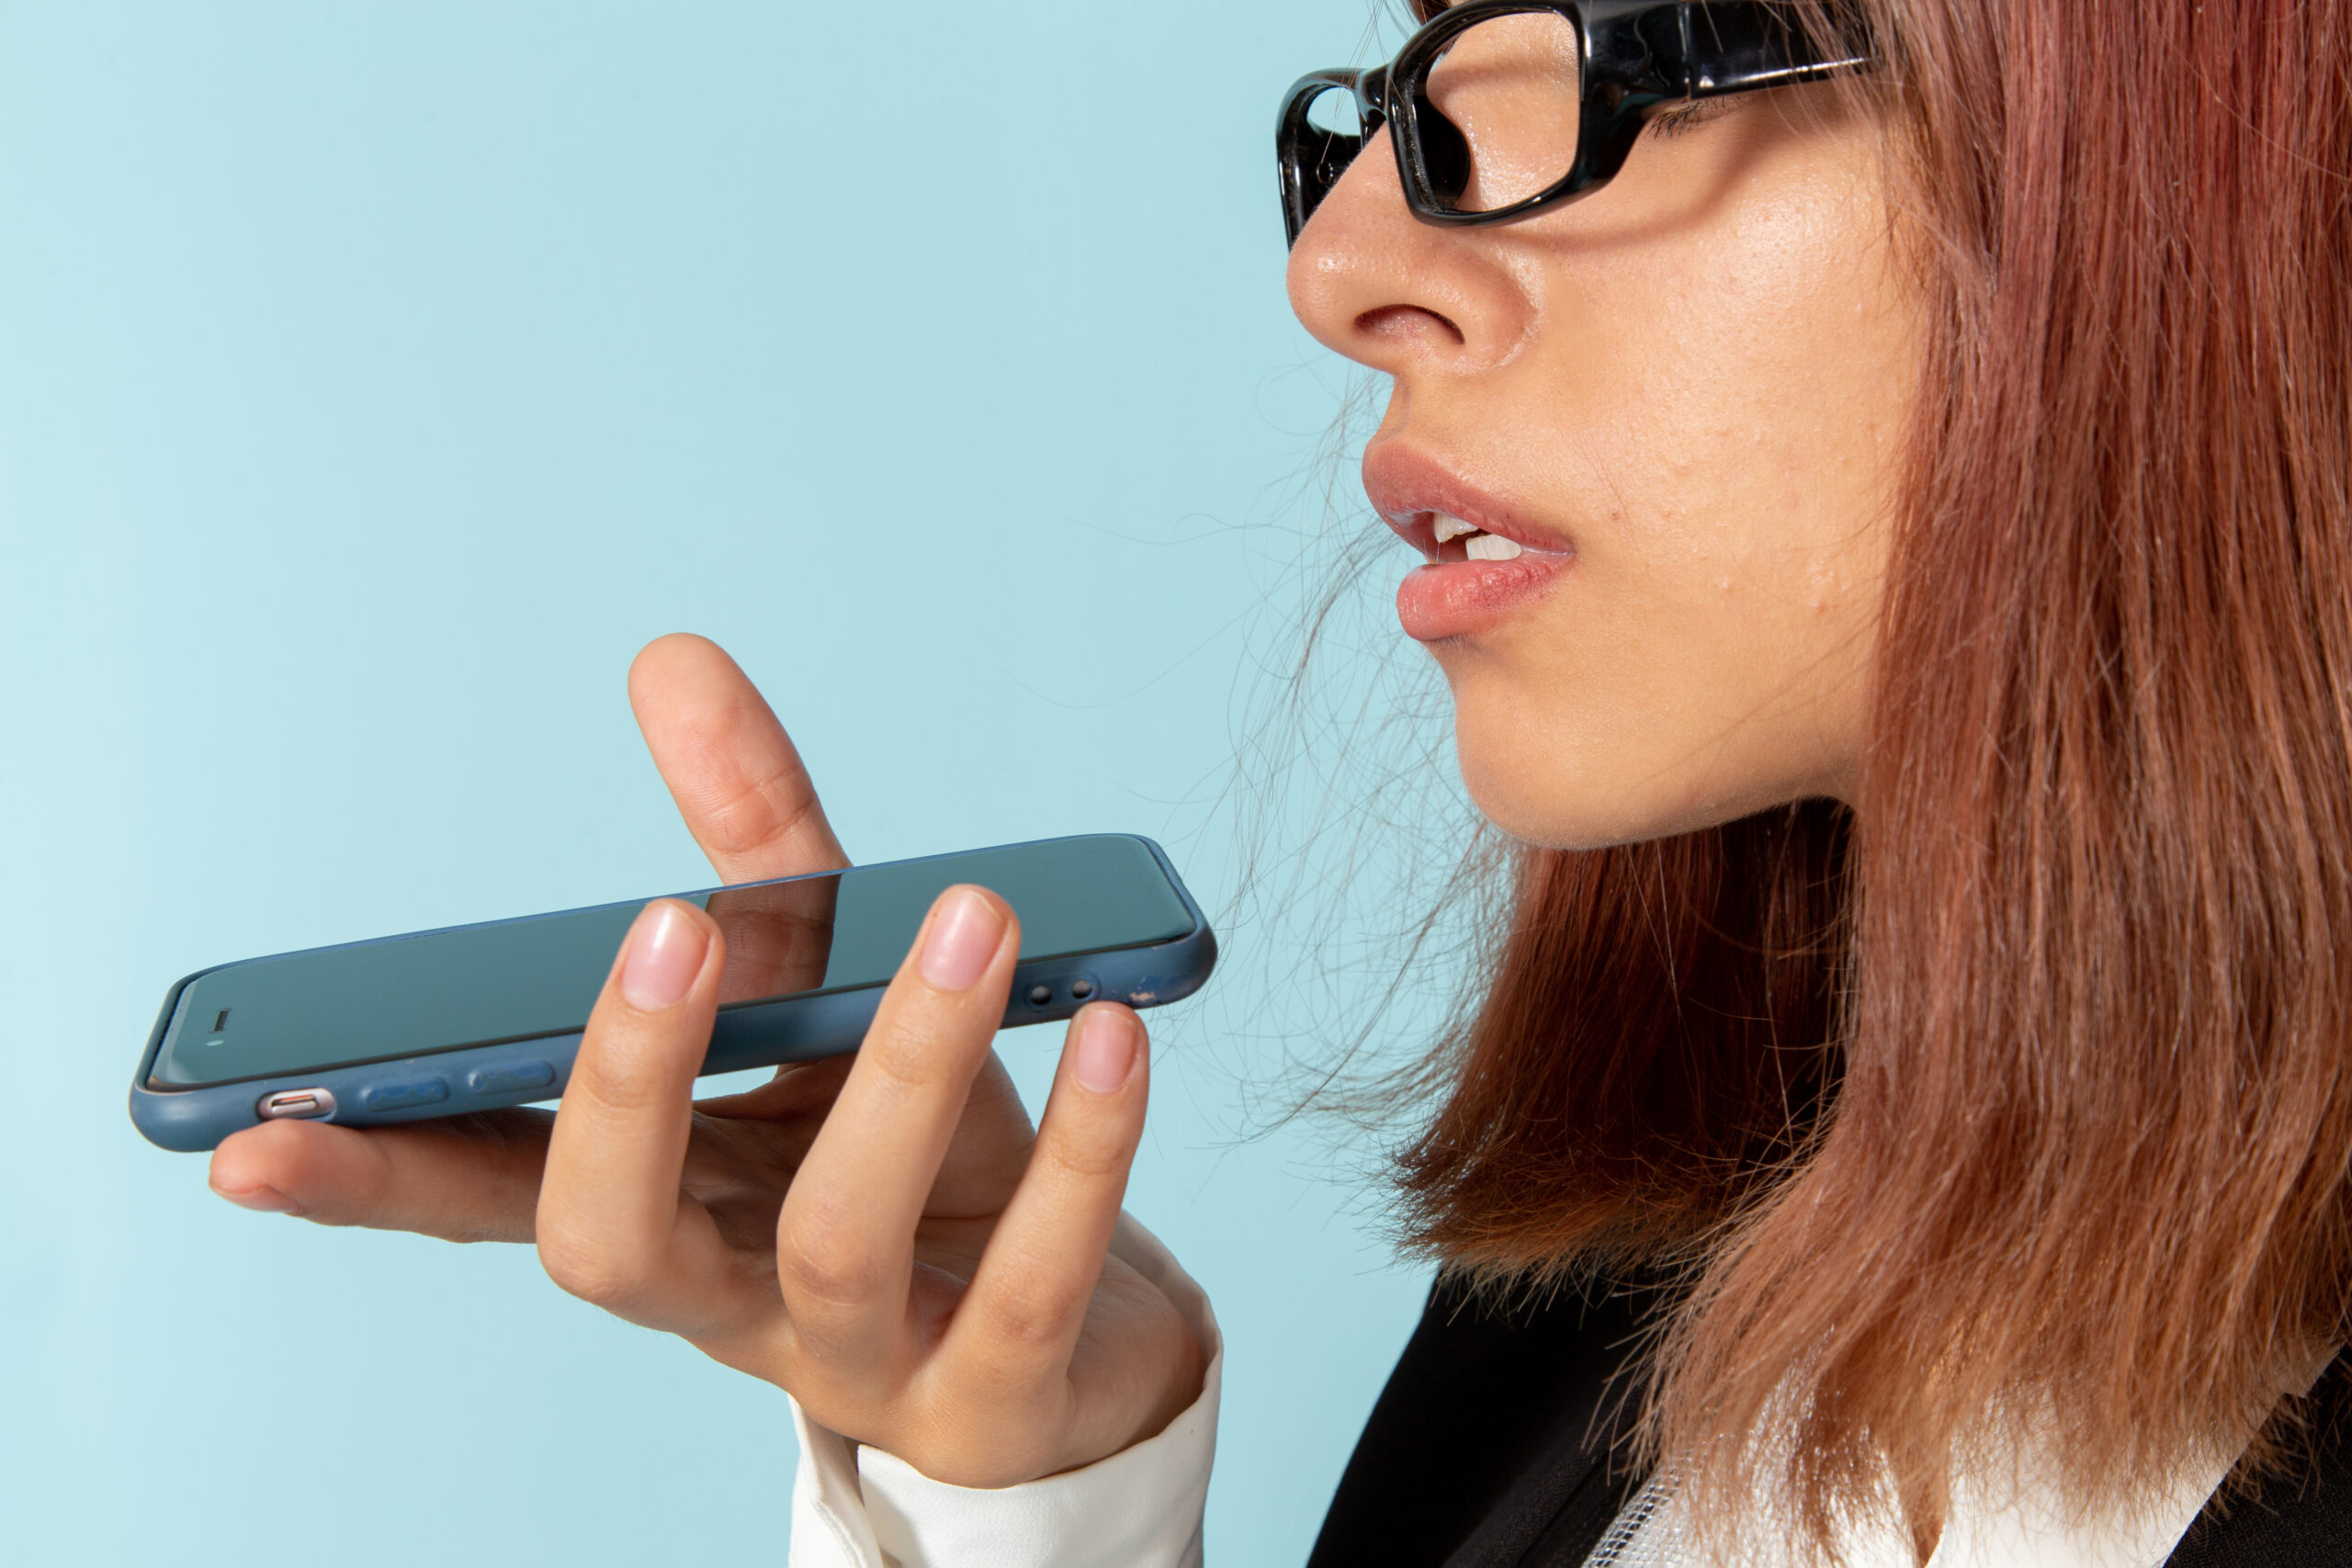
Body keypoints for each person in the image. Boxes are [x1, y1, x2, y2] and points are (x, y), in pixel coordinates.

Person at [203, 1, 2352, 1563]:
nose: (1339, 268)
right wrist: (1035, 1494)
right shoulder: (1640, 1292)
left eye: (1591, 39)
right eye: (1413, 60)